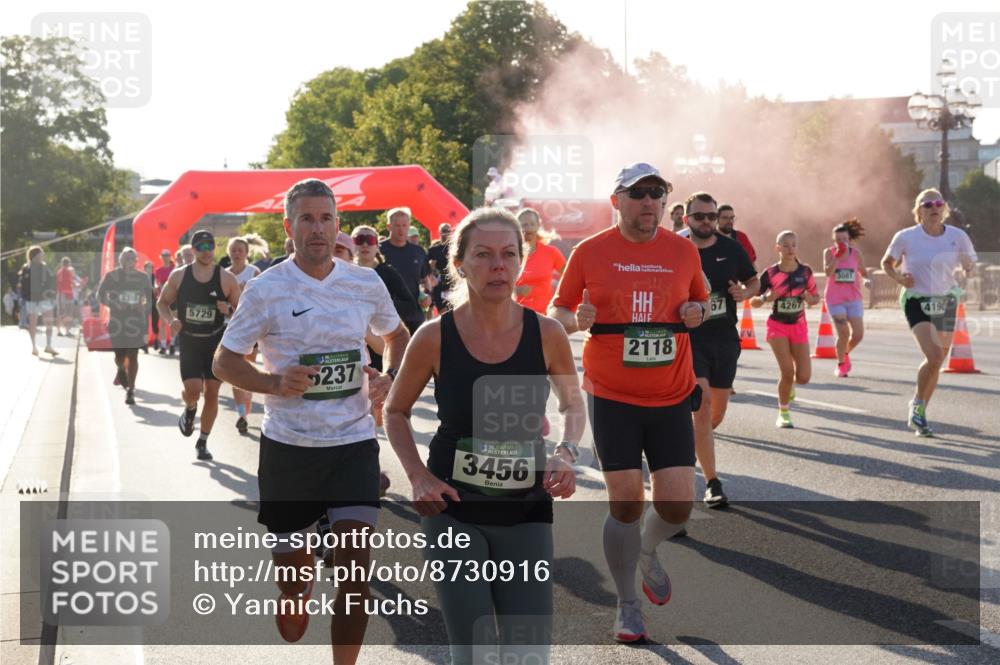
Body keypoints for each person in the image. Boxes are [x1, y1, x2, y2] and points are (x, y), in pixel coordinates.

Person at [213, 178, 409, 661]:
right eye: (307, 218)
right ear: (289, 227)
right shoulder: (266, 290)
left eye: (326, 218)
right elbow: (224, 361)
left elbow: (398, 336)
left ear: (337, 226)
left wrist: (389, 376)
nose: (317, 228)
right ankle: (295, 594)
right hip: (289, 448)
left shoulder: (364, 283)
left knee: (355, 572)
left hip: (353, 443)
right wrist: (274, 384)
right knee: (294, 572)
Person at [384, 207, 581, 665]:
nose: (498, 265)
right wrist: (417, 477)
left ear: (521, 261)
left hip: (526, 505)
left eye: (509, 254)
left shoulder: (547, 333)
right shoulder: (434, 337)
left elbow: (573, 404)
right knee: (472, 651)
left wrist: (566, 452)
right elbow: (395, 410)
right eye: (484, 255)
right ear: (460, 264)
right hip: (454, 506)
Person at [549, 163, 709, 642]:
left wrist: (697, 312)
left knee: (679, 504)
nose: (648, 201)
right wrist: (575, 319)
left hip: (670, 393)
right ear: (616, 200)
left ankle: (646, 549)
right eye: (638, 193)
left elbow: (700, 304)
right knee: (625, 500)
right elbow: (557, 312)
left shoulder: (683, 251)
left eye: (656, 193)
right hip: (612, 394)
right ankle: (627, 604)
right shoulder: (590, 251)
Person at [881, 188, 977, 437]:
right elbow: (886, 263)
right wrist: (900, 277)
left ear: (943, 208)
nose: (933, 207)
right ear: (918, 210)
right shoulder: (906, 236)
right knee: (934, 356)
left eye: (938, 203)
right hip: (916, 299)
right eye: (927, 204)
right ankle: (917, 405)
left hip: (946, 300)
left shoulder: (958, 236)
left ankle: (919, 409)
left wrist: (969, 267)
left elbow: (971, 266)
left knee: (937, 362)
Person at [684, 192, 758, 508]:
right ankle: (712, 482)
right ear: (687, 218)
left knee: (716, 413)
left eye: (711, 217)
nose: (706, 222)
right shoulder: (677, 249)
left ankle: (689, 442)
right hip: (690, 340)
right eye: (699, 216)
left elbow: (754, 282)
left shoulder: (730, 248)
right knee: (701, 407)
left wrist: (744, 292)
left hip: (725, 339)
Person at [157, 230, 240, 460]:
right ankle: (190, 408)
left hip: (215, 340)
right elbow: (162, 303)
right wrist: (170, 320)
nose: (206, 251)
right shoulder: (179, 276)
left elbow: (243, 314)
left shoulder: (226, 279)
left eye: (210, 246)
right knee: (193, 389)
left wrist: (229, 311)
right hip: (190, 340)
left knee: (212, 392)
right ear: (193, 250)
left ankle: (202, 441)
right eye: (201, 247)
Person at [750, 230, 821, 429]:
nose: (790, 249)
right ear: (778, 248)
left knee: (804, 377)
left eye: (793, 245)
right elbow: (753, 301)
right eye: (786, 245)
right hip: (777, 327)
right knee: (787, 372)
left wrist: (809, 298)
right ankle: (784, 412)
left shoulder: (805, 272)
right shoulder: (771, 273)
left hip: (799, 326)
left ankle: (790, 387)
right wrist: (765, 298)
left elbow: (816, 298)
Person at [352, 225, 422, 369]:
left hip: (382, 345)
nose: (365, 244)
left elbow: (410, 305)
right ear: (352, 245)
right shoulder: (343, 274)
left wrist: (379, 310)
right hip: (353, 349)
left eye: (370, 240)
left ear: (377, 247)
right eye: (359, 239)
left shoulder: (387, 273)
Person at [98, 248, 154, 405]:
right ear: (120, 260)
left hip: (135, 320)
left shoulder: (143, 277)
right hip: (117, 319)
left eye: (133, 258)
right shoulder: (111, 276)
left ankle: (131, 390)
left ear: (136, 261)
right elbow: (100, 295)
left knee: (133, 354)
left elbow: (150, 298)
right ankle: (121, 368)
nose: (130, 261)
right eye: (127, 258)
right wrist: (114, 303)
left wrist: (143, 306)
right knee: (119, 355)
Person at [823, 218, 871, 378]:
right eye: (838, 240)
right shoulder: (829, 253)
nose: (841, 242)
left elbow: (863, 272)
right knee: (843, 333)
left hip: (853, 299)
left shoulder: (856, 254)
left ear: (849, 239)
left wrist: (866, 280)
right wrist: (837, 257)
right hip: (835, 299)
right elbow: (828, 273)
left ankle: (844, 353)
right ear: (834, 241)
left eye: (844, 239)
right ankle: (841, 364)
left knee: (858, 334)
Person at [226, 236, 262, 434]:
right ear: (228, 253)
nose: (237, 253)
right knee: (235, 375)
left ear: (247, 253)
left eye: (240, 250)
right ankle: (242, 415)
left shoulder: (253, 272)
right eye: (234, 249)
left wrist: (243, 294)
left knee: (247, 372)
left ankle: (245, 411)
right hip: (231, 330)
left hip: (251, 329)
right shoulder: (224, 275)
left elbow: (262, 300)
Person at [379, 207, 432, 330]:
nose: (401, 230)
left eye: (404, 225)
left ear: (409, 226)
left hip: (414, 314)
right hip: (385, 314)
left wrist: (428, 295)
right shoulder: (379, 250)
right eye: (397, 226)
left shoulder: (418, 251)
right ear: (388, 227)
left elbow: (426, 279)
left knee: (416, 349)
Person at [514, 208, 566, 315]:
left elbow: (570, 277)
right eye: (524, 225)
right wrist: (514, 290)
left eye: (532, 224)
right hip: (515, 316)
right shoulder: (509, 254)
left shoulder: (551, 252)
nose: (528, 228)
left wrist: (561, 301)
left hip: (544, 317)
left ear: (538, 226)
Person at [17, 246, 58, 357]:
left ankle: (47, 345)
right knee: (34, 323)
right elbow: (23, 284)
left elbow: (51, 281)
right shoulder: (28, 267)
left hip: (42, 299)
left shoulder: (39, 266)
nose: (43, 255)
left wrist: (52, 294)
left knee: (47, 322)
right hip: (34, 299)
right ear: (36, 255)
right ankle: (34, 346)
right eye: (41, 253)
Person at [427, 223, 453, 315]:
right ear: (440, 233)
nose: (446, 233)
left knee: (455, 311)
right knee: (443, 313)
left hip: (453, 283)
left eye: (449, 231)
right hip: (439, 284)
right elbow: (427, 270)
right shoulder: (433, 250)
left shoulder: (455, 249)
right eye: (444, 231)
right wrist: (431, 267)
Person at [154, 249, 176, 354]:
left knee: (172, 322)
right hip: (162, 299)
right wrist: (157, 286)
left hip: (173, 299)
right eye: (163, 255)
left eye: (167, 255)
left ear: (170, 256)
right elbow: (156, 283)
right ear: (161, 257)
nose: (165, 257)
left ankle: (172, 344)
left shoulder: (175, 269)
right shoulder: (158, 271)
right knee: (162, 323)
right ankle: (163, 346)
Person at [55, 256, 79, 336]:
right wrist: (79, 285)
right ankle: (66, 331)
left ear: (62, 263)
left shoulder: (59, 272)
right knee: (67, 313)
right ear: (69, 264)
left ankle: (59, 330)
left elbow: (68, 283)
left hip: (62, 294)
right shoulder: (66, 272)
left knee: (61, 312)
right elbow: (71, 283)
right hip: (66, 294)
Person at [142, 261, 156, 353]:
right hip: (145, 302)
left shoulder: (155, 277)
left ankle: (156, 341)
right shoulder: (141, 277)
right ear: (144, 268)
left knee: (155, 323)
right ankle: (145, 345)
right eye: (147, 267)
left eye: (150, 267)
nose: (149, 269)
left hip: (154, 301)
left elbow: (156, 289)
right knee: (145, 324)